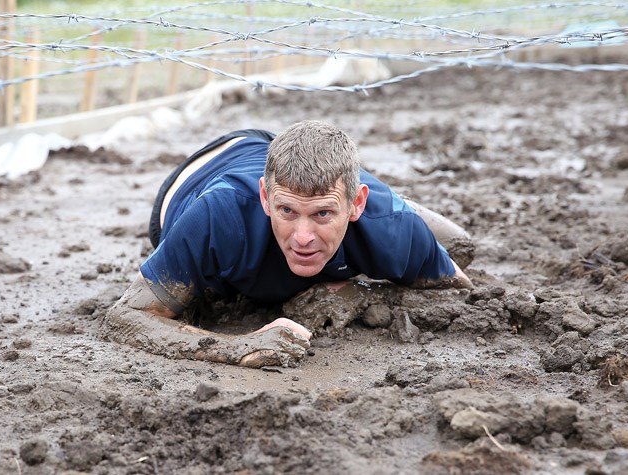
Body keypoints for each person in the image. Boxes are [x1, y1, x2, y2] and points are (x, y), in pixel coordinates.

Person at [101, 120, 473, 368]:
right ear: (266, 198)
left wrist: (361, 293)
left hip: (312, 174)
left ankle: (383, 198)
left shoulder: (389, 228)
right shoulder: (217, 217)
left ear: (355, 205)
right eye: (287, 212)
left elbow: (458, 291)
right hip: (200, 174)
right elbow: (125, 317)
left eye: (323, 215)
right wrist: (239, 347)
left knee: (457, 243)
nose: (303, 238)